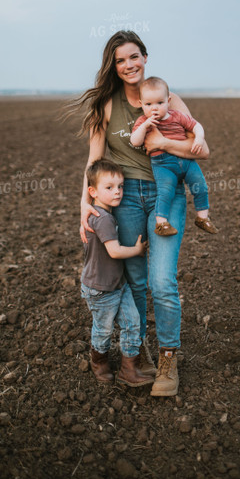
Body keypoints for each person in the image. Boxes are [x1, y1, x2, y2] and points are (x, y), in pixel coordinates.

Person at [71, 30, 210, 397]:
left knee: (163, 281)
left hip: (167, 196)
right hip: (127, 198)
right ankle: (138, 353)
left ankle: (168, 361)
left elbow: (200, 148)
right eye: (120, 60)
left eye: (134, 57)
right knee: (135, 282)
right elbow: (93, 162)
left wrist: (163, 142)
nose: (128, 65)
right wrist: (84, 205)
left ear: (145, 57)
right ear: (113, 67)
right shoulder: (107, 105)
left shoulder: (169, 97)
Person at [81, 158, 153, 387]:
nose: (118, 192)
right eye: (109, 188)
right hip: (100, 289)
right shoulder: (102, 219)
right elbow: (113, 251)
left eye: (121, 186)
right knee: (103, 329)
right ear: (92, 191)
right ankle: (98, 362)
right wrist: (137, 249)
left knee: (132, 322)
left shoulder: (108, 215)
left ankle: (128, 369)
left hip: (118, 284)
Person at [130, 76, 218, 236]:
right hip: (163, 164)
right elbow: (135, 141)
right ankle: (161, 223)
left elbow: (196, 125)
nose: (154, 108)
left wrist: (199, 138)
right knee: (165, 191)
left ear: (168, 101)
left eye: (159, 103)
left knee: (201, 186)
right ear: (141, 104)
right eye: (148, 104)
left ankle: (202, 218)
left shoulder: (177, 116)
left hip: (187, 162)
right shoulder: (143, 121)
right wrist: (144, 126)